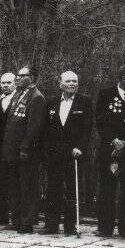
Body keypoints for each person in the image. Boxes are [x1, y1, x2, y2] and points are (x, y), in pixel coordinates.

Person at [94, 64, 125, 238]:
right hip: (110, 148)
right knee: (107, 189)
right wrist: (114, 140)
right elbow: (100, 121)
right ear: (123, 78)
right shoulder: (105, 94)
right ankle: (105, 228)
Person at [43, 71, 93, 235]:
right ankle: (51, 225)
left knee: (73, 189)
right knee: (53, 189)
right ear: (60, 84)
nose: (72, 83)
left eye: (75, 81)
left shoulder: (85, 102)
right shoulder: (50, 102)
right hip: (54, 154)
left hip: (74, 154)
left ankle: (71, 226)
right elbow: (46, 129)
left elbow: (87, 129)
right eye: (68, 81)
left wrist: (80, 147)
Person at [1, 66, 46, 233]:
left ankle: (27, 222)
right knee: (14, 185)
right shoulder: (19, 94)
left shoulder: (36, 97)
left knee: (27, 186)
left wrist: (25, 147)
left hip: (25, 150)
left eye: (22, 75)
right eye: (18, 75)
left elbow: (33, 127)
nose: (18, 78)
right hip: (12, 149)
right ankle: (17, 219)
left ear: (32, 78)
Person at [0, 72, 17, 224]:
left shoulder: (19, 99)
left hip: (13, 147)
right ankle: (0, 215)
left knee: (13, 182)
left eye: (8, 83)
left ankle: (15, 216)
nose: (5, 85)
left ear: (15, 83)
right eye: (3, 83)